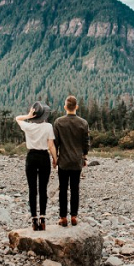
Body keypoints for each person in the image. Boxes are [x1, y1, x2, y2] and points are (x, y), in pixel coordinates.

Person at [15, 101, 57, 231]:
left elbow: (17, 118)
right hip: (44, 157)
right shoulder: (48, 126)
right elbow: (51, 145)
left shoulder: (27, 126)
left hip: (31, 157)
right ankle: (43, 218)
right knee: (43, 189)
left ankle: (34, 219)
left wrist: (28, 116)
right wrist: (55, 159)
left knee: (32, 189)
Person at [52, 95, 89, 227]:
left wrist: (55, 159)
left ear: (65, 107)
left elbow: (55, 143)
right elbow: (86, 143)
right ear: (76, 107)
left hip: (63, 161)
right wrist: (84, 157)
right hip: (76, 161)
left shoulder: (58, 122)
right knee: (75, 189)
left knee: (63, 189)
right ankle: (74, 216)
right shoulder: (83, 123)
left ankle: (63, 217)